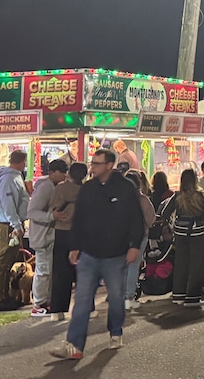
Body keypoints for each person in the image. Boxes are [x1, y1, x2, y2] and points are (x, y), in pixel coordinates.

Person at [52, 149, 146, 360]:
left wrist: (134, 246)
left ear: (109, 165)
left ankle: (115, 331)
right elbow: (79, 220)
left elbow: (136, 219)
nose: (92, 167)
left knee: (115, 297)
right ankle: (74, 344)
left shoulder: (124, 189)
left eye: (97, 163)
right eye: (92, 163)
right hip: (89, 255)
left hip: (115, 255)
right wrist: (75, 246)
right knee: (83, 299)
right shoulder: (88, 189)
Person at [160, 168, 204, 305]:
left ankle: (178, 295)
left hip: (180, 233)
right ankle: (192, 298)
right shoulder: (202, 195)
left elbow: (164, 213)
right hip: (198, 233)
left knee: (181, 264)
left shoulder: (177, 195)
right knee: (196, 265)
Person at [25, 158, 68, 318]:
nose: (65, 175)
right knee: (43, 271)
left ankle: (46, 301)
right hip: (42, 237)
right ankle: (38, 304)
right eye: (62, 172)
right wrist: (52, 216)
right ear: (53, 172)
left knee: (48, 271)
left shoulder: (54, 187)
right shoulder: (45, 188)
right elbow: (32, 212)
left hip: (49, 236)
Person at [0, 149, 31, 309]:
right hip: (8, 225)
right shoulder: (9, 179)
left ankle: (6, 294)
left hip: (12, 223)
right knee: (3, 261)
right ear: (22, 162)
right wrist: (16, 225)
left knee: (8, 262)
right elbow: (9, 206)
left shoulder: (14, 177)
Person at [49, 160, 86, 322]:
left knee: (60, 272)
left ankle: (57, 310)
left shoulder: (60, 189)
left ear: (69, 173)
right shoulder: (87, 191)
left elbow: (53, 207)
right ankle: (85, 308)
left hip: (62, 231)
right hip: (81, 233)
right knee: (83, 273)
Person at [122, 170, 156, 308]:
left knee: (122, 266)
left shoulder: (119, 198)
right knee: (133, 266)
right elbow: (151, 219)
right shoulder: (143, 200)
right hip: (140, 237)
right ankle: (129, 297)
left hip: (121, 237)